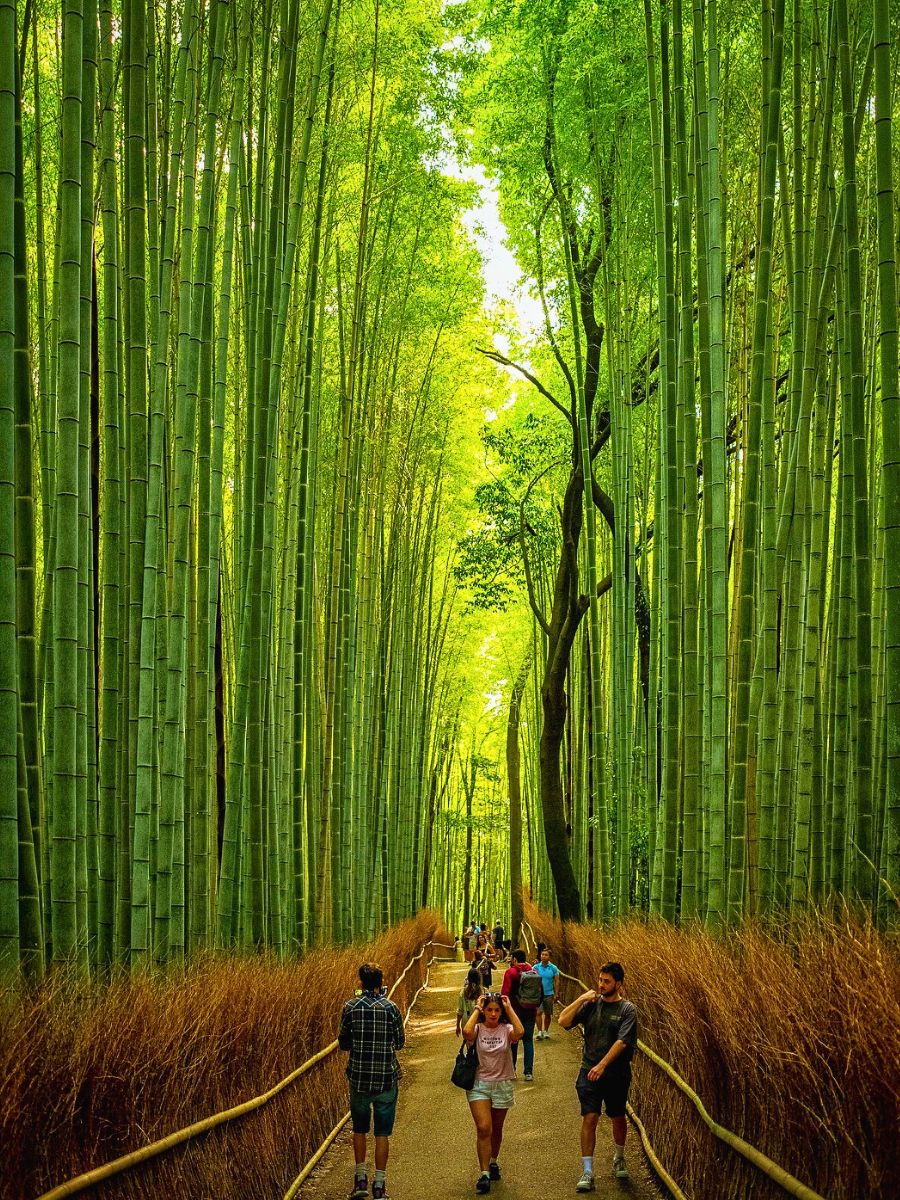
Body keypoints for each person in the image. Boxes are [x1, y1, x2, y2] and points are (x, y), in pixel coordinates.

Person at [558, 961, 637, 1190]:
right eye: (600, 980)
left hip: (616, 1073)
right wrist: (582, 999)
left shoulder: (627, 1010)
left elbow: (623, 1042)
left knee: (617, 1116)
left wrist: (603, 1065)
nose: (601, 985)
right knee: (590, 1117)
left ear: (619, 984)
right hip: (588, 1069)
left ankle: (619, 1156)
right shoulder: (592, 1005)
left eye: (607, 981)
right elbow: (563, 1021)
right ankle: (587, 1171)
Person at [338, 962, 406, 1200]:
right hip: (386, 1078)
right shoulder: (391, 1009)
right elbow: (399, 1042)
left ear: (360, 982)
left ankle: (360, 1182)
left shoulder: (350, 1007)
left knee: (359, 1129)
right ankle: (380, 1185)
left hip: (358, 1078)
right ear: (380, 982)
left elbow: (343, 1042)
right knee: (382, 1133)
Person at [461, 991, 524, 1193]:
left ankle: (493, 1161)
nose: (493, 1014)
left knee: (496, 1129)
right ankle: (484, 1174)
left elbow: (520, 1032)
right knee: (483, 1128)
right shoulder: (478, 1029)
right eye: (490, 1010)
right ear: (484, 1011)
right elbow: (466, 1032)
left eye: (497, 1010)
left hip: (502, 1083)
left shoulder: (506, 1029)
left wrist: (509, 1007)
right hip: (479, 1084)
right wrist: (477, 1008)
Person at [500, 949, 537, 1081]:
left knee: (513, 1041)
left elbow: (505, 993)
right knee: (528, 1041)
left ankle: (513, 1070)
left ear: (514, 959)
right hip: (531, 1011)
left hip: (514, 1012)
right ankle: (528, 1072)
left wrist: (503, 1011)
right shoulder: (533, 971)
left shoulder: (510, 972)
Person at [532, 947, 561, 1039]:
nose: (543, 956)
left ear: (549, 957)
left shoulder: (553, 968)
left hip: (549, 993)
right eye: (542, 955)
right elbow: (531, 979)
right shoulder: (536, 967)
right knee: (538, 1012)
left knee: (548, 1013)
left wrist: (556, 993)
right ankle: (540, 1031)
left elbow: (557, 981)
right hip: (538, 994)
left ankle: (546, 1031)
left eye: (546, 955)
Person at [456, 968, 484, 1037]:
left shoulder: (463, 992)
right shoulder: (483, 992)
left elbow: (460, 1011)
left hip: (466, 1024)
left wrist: (457, 1026)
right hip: (480, 1024)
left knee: (469, 1046)